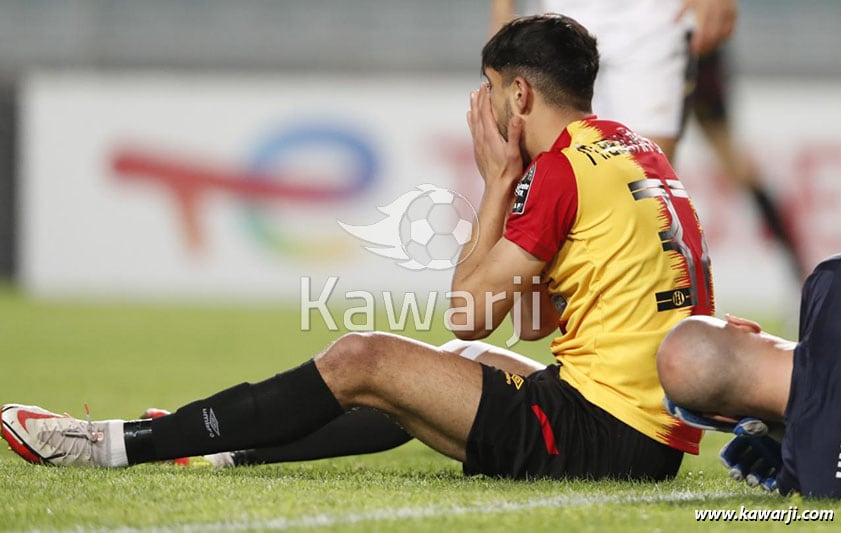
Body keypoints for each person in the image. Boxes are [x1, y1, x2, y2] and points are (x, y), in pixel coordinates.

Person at [1, 15, 713, 481]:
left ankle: (111, 442)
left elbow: (469, 312)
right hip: (637, 427)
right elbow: (533, 320)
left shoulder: (554, 170)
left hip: (605, 436)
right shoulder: (631, 149)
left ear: (519, 94)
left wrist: (496, 180)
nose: (485, 107)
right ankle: (223, 442)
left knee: (361, 357)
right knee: (444, 367)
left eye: (490, 91)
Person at [657, 254, 841, 498]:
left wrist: (793, 448)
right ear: (743, 325)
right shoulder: (830, 282)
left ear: (722, 418)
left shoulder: (817, 478)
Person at [490, 0, 738, 162]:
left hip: (653, 20)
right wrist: (500, 15)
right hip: (552, 15)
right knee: (549, 174)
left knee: (646, 185)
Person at [689, 46, 804, 278]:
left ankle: (797, 267)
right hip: (691, 56)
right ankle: (797, 266)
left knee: (737, 167)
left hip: (687, 55)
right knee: (737, 167)